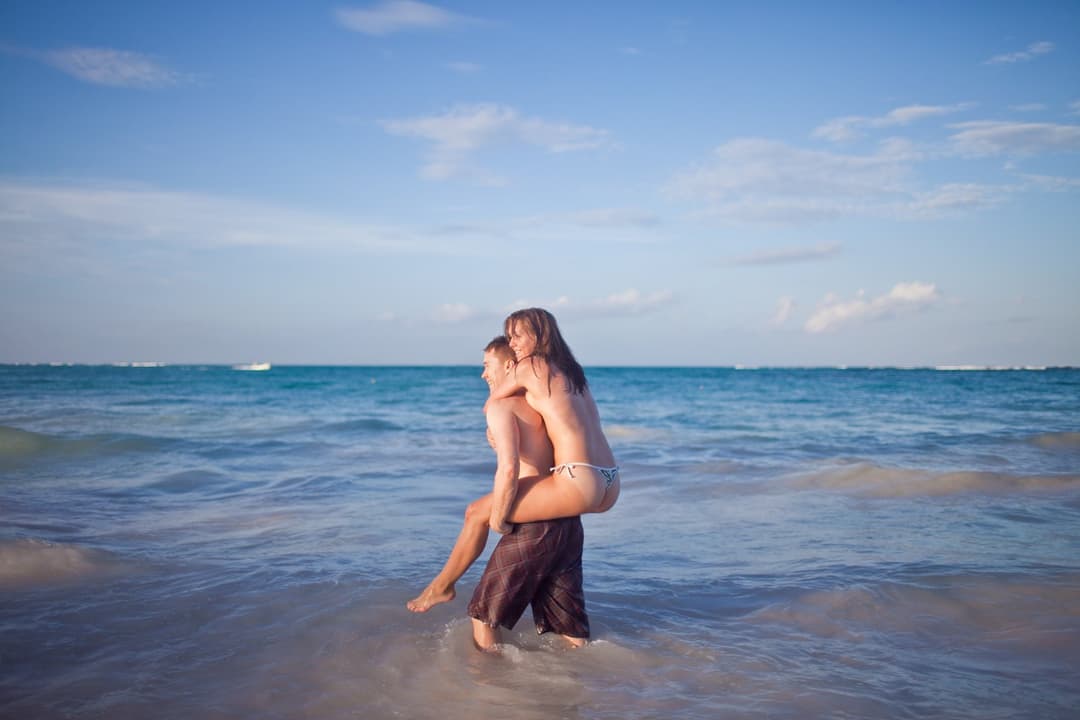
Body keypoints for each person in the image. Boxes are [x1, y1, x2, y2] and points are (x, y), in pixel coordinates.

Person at [407, 310, 618, 613]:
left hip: (578, 480)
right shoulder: (573, 372)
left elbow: (491, 403)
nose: (513, 342)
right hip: (609, 480)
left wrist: (495, 427)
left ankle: (441, 587)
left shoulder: (530, 365)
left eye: (518, 335)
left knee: (476, 512)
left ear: (541, 335)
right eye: (510, 336)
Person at [468, 514, 589, 651]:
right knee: (567, 627)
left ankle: (489, 671)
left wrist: (498, 519)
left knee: (484, 616)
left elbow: (506, 491)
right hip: (571, 523)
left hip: (535, 526)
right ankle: (581, 670)